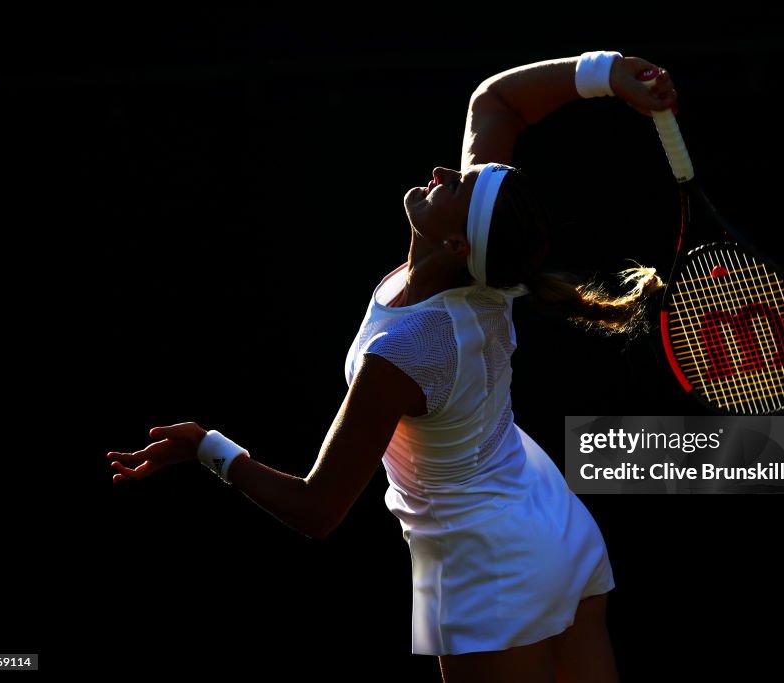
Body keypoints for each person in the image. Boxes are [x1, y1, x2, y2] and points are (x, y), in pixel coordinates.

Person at [105, 51, 677, 683]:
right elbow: (496, 102)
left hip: (485, 568)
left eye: (455, 186)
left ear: (459, 243)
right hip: (557, 529)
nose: (441, 172)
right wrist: (609, 71)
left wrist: (207, 448)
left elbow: (317, 509)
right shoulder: (489, 267)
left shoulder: (404, 354)